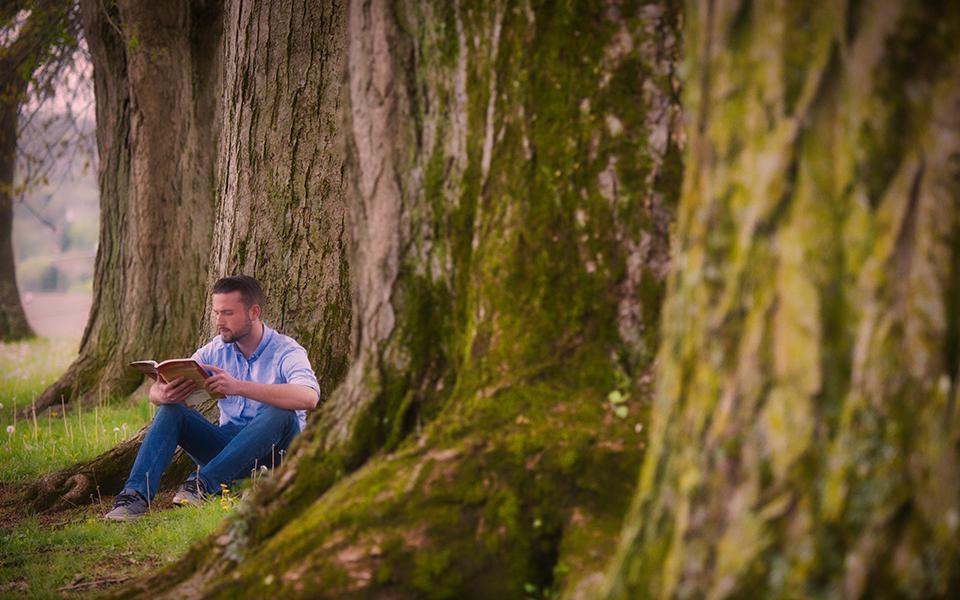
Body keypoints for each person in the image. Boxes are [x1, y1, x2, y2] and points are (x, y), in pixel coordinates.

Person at [104, 275, 320, 520]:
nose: (219, 321)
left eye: (227, 313)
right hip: (227, 449)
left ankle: (203, 485)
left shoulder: (286, 350)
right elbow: (160, 388)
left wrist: (238, 386)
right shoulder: (216, 350)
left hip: (275, 455)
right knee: (171, 411)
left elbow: (308, 397)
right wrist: (161, 394)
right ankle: (135, 497)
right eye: (216, 313)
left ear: (254, 312)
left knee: (279, 412)